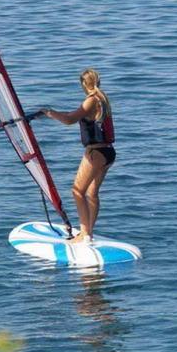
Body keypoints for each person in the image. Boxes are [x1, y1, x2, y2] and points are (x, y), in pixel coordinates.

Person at [35, 69, 116, 245]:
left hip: (95, 153)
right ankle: (89, 233)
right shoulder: (103, 99)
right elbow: (77, 114)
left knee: (77, 191)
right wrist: (56, 113)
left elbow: (70, 120)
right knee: (92, 193)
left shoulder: (91, 100)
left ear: (83, 84)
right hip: (108, 152)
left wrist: (49, 112)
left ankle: (84, 234)